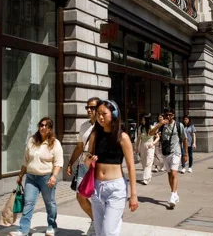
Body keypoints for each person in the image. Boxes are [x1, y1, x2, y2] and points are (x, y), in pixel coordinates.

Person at [84, 99, 138, 236]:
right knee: (99, 230)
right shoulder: (95, 135)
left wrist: (133, 195)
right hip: (97, 187)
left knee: (109, 231)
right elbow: (86, 162)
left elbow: (131, 167)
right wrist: (89, 160)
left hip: (116, 188)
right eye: (98, 114)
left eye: (104, 113)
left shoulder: (123, 137)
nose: (100, 117)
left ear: (113, 114)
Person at [10, 117, 63, 236]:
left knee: (50, 203)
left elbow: (58, 163)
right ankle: (23, 230)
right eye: (41, 125)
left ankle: (52, 226)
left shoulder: (55, 143)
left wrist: (54, 177)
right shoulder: (32, 140)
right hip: (31, 177)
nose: (43, 128)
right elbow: (26, 160)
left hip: (46, 177)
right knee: (28, 202)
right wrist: (20, 175)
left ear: (50, 129)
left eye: (46, 126)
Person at [66, 97, 99, 235]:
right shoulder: (84, 126)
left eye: (92, 108)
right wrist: (70, 163)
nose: (89, 110)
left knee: (97, 198)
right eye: (87, 108)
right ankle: (95, 221)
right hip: (84, 164)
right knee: (80, 196)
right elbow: (80, 146)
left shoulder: (103, 126)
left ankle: (99, 226)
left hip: (98, 165)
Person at [149, 108, 188, 208]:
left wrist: (185, 154)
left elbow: (184, 140)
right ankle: (175, 194)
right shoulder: (162, 126)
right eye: (167, 115)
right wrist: (159, 124)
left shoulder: (179, 126)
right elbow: (150, 133)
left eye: (170, 115)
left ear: (173, 115)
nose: (168, 117)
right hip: (165, 153)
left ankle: (172, 196)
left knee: (174, 173)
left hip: (176, 152)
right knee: (170, 175)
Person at [135, 114, 159, 185]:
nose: (142, 121)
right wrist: (136, 147)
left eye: (144, 120)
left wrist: (153, 143)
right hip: (143, 145)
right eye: (142, 120)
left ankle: (145, 178)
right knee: (143, 162)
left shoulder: (152, 128)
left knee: (149, 162)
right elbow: (139, 138)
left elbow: (158, 137)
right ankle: (148, 175)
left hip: (150, 145)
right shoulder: (140, 128)